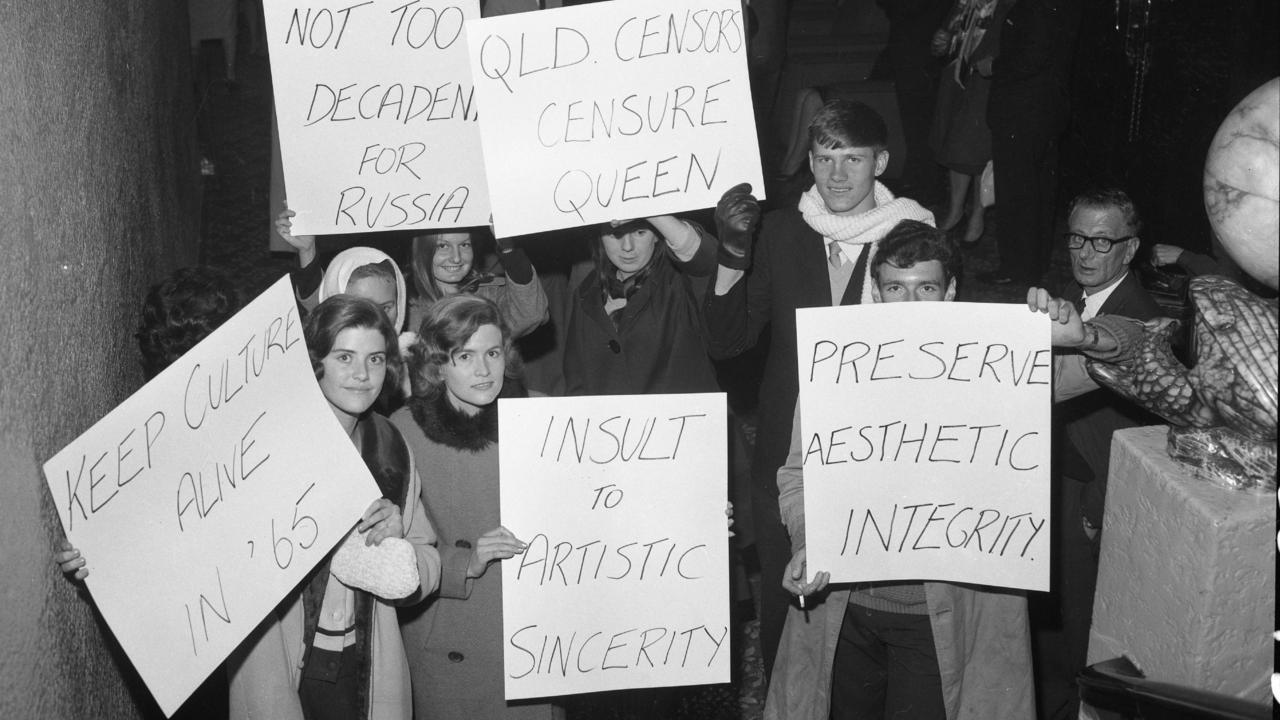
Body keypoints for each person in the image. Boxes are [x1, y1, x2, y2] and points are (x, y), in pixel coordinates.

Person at [765, 220, 1035, 720]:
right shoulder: (838, 368)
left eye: (926, 288)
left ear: (950, 292)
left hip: (935, 618)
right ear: (876, 291)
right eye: (895, 287)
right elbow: (797, 473)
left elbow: (1110, 359)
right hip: (846, 608)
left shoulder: (997, 369)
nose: (910, 303)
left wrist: (1067, 328)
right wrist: (806, 538)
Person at [705, 99, 934, 677]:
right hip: (789, 455)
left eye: (852, 159)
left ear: (880, 162)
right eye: (824, 158)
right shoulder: (782, 231)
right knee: (791, 613)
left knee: (864, 617)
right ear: (808, 160)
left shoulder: (914, 239)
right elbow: (728, 342)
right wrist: (732, 255)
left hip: (877, 451)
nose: (836, 175)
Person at [226, 295, 441, 720]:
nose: (362, 375)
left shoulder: (392, 447)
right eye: (345, 357)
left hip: (365, 667)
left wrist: (399, 552)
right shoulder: (262, 443)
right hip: (281, 662)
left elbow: (429, 563)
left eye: (376, 359)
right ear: (314, 361)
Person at [1027, 187, 1165, 719]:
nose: (1084, 252)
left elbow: (1141, 432)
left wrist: (1094, 510)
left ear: (1130, 250)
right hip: (1062, 477)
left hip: (1091, 496)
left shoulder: (1139, 316)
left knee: (1071, 633)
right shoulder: (1081, 297)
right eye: (1077, 237)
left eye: (1101, 241)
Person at [391, 295, 561, 720]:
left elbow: (608, 506)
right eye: (464, 356)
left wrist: (694, 518)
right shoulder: (404, 431)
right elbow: (389, 548)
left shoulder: (545, 415)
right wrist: (464, 562)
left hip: (532, 635)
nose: (483, 370)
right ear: (437, 363)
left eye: (492, 353)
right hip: (449, 629)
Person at [980, 0, 1081, 284]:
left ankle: (1017, 269)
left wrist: (993, 65)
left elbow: (1029, 58)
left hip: (1022, 112)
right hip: (1045, 110)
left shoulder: (1034, 7)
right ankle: (1034, 264)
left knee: (1017, 194)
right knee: (1038, 192)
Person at [563, 215, 718, 396]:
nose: (627, 247)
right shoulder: (585, 293)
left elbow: (704, 257)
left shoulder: (678, 282)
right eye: (614, 235)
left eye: (640, 232)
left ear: (657, 235)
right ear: (599, 236)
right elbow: (576, 384)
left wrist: (653, 212)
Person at [929, 0, 1012, 246]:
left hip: (986, 84)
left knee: (979, 149)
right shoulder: (962, 5)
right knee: (956, 146)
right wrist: (940, 45)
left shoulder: (1007, 6)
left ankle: (978, 214)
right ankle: (956, 211)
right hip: (956, 83)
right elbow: (943, 45)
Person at [405, 229, 548, 339]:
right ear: (423, 252)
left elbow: (530, 315)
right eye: (443, 246)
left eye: (464, 245)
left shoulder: (488, 297)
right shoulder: (405, 307)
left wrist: (508, 249)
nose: (456, 258)